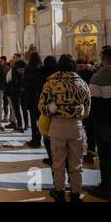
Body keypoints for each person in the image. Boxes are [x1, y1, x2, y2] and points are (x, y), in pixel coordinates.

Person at [39, 54, 91, 202]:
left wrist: (56, 107)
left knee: (58, 161)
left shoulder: (51, 83)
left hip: (58, 125)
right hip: (76, 126)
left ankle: (59, 192)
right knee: (76, 162)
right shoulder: (82, 83)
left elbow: (43, 107)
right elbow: (87, 109)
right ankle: (75, 194)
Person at [88, 47, 111, 201]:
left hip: (105, 121)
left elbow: (92, 104)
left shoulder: (98, 77)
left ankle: (106, 187)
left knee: (106, 154)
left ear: (103, 59)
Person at [33, 55, 58, 166]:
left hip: (46, 107)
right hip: (59, 108)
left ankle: (51, 157)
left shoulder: (40, 74)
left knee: (46, 132)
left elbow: (39, 90)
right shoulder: (59, 75)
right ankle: (58, 156)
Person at [77, 56, 97, 164]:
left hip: (78, 105)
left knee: (79, 128)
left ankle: (78, 151)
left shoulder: (76, 75)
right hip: (90, 104)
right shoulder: (93, 73)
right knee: (90, 130)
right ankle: (91, 152)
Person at [22, 52, 43, 147]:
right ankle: (42, 137)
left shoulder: (28, 67)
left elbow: (25, 83)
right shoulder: (41, 67)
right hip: (41, 96)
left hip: (31, 96)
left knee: (33, 120)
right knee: (41, 118)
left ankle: (35, 138)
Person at [8, 54, 26, 133]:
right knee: (24, 108)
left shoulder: (15, 67)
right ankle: (26, 125)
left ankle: (20, 125)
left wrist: (10, 83)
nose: (12, 59)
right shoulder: (25, 67)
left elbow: (14, 80)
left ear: (18, 58)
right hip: (24, 90)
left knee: (17, 109)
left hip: (15, 90)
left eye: (14, 57)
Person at [0, 56, 10, 122]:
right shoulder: (5, 67)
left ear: (4, 61)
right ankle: (6, 117)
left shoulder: (5, 68)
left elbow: (3, 77)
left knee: (6, 103)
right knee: (5, 103)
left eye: (1, 61)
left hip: (6, 87)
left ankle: (6, 117)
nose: (0, 62)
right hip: (3, 87)